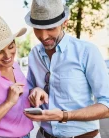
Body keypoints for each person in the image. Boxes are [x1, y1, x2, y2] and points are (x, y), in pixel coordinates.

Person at [23, 0, 109, 138]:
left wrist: (65, 115)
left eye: (50, 28)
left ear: (65, 23)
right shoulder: (34, 54)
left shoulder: (87, 52)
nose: (43, 36)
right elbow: (28, 92)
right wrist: (34, 90)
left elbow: (107, 105)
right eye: (38, 28)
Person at [0, 14, 33, 138]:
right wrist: (8, 102)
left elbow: (22, 100)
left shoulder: (16, 66)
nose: (8, 55)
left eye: (11, 46)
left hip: (26, 134)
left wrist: (35, 91)